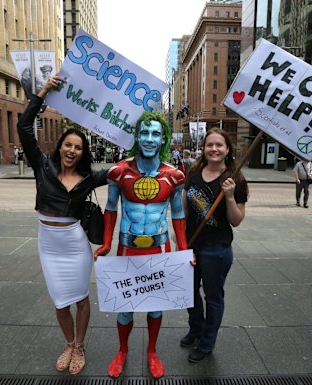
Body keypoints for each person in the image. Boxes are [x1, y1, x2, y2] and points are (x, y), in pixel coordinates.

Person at [17, 74, 108, 376]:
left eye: (78, 148)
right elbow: (23, 127)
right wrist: (42, 92)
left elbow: (124, 168)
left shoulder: (89, 178)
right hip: (49, 246)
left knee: (80, 298)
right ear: (60, 147)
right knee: (59, 303)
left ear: (83, 153)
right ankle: (68, 343)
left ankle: (79, 347)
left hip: (74, 245)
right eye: (68, 145)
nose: (72, 150)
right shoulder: (42, 166)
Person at [93, 111, 189, 379]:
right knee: (125, 307)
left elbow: (178, 215)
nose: (149, 138)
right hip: (127, 248)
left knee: (156, 306)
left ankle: (152, 351)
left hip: (159, 249)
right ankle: (122, 350)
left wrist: (182, 250)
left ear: (163, 140)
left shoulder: (175, 176)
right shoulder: (119, 172)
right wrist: (105, 243)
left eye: (155, 134)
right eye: (144, 133)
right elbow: (111, 208)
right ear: (136, 136)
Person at [180, 128, 248, 363]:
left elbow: (236, 220)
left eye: (219, 145)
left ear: (227, 149)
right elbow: (184, 210)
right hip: (191, 245)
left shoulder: (234, 179)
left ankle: (207, 342)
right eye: (210, 145)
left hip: (216, 249)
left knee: (212, 296)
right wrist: (179, 241)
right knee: (188, 292)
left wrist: (229, 196)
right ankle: (196, 328)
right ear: (203, 148)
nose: (214, 149)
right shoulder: (194, 172)